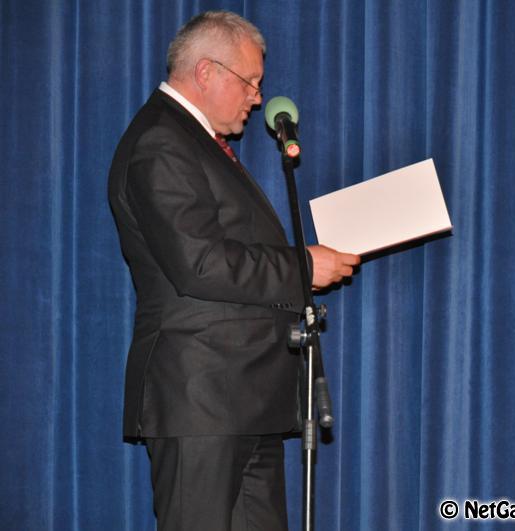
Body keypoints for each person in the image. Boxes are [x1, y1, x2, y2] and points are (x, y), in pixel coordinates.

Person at [108, 11, 360, 531]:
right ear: (206, 71)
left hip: (244, 400)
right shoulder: (160, 141)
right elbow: (198, 263)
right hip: (201, 401)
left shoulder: (196, 142)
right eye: (250, 82)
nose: (257, 98)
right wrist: (302, 265)